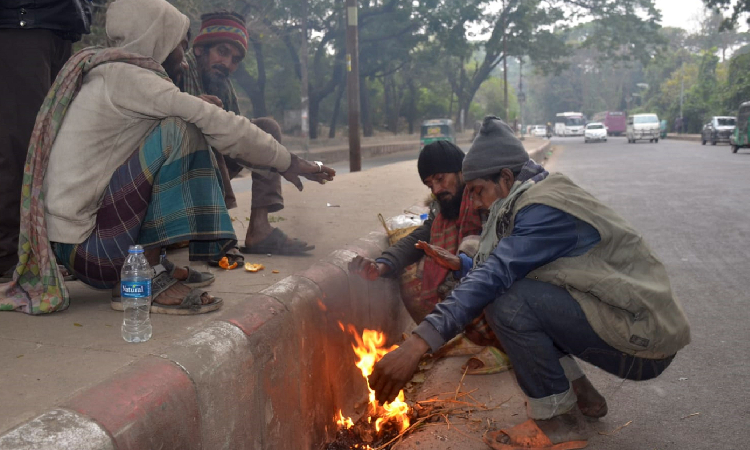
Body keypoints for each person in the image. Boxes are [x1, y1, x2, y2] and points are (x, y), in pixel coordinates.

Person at [369, 116, 690, 449]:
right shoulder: (526, 198)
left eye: (478, 191)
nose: (475, 202)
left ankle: (556, 422)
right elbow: (497, 264)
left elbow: (493, 276)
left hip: (645, 341)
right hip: (632, 324)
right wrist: (464, 263)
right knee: (515, 294)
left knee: (505, 301)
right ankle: (579, 393)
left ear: (506, 178)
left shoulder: (542, 209)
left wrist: (416, 345)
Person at [0, 0, 334, 315]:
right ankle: (140, 282)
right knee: (182, 129)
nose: (182, 55)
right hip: (93, 254)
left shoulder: (109, 72)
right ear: (155, 40)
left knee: (179, 127)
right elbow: (219, 123)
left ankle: (153, 264)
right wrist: (289, 161)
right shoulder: (132, 78)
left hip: (80, 249)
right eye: (178, 44)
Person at [349, 141, 508, 374]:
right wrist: (381, 265)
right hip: (470, 284)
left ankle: (505, 345)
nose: (436, 189)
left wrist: (461, 262)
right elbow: (420, 237)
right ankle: (465, 336)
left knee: (471, 283)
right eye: (429, 184)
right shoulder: (444, 209)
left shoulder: (487, 198)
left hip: (500, 288)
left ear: (461, 172)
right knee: (412, 273)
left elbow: (484, 246)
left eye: (440, 179)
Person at [179, 11, 313, 256]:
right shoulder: (178, 67)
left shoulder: (222, 83)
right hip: (174, 173)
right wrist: (194, 107)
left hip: (212, 169)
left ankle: (259, 230)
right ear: (200, 49)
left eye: (235, 59)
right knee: (211, 133)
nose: (228, 63)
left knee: (266, 129)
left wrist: (283, 160)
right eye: (222, 51)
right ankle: (213, 231)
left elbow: (241, 137)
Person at [0, 0, 91, 280]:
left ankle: (41, 250)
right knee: (20, 142)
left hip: (59, 23)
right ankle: (9, 255)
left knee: (55, 145)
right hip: (19, 22)